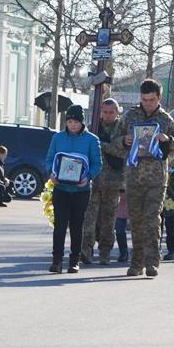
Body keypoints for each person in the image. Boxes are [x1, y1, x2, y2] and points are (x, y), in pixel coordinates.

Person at [107, 79, 174, 278]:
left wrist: (168, 140)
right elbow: (112, 144)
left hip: (157, 179)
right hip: (133, 177)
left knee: (152, 219)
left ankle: (152, 262)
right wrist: (124, 141)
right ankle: (136, 262)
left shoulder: (166, 120)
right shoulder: (130, 116)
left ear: (159, 97)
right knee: (137, 222)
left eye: (151, 99)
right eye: (144, 99)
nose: (147, 103)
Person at [44, 104, 102, 274]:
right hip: (61, 188)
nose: (73, 125)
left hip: (81, 190)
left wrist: (88, 177)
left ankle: (74, 260)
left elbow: (97, 163)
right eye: (69, 121)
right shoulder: (58, 138)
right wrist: (51, 173)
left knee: (77, 226)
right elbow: (49, 159)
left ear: (82, 122)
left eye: (76, 121)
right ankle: (57, 260)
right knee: (60, 225)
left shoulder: (92, 140)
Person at [80, 98, 124, 265]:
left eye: (111, 112)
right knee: (88, 219)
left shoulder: (122, 128)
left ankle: (105, 252)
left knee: (108, 220)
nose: (107, 115)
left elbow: (121, 151)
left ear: (117, 111)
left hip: (113, 181)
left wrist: (102, 145)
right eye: (104, 112)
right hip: (93, 180)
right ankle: (86, 250)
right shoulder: (93, 128)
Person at [114, 190, 130, 263]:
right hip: (120, 199)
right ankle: (123, 252)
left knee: (138, 230)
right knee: (119, 229)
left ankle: (140, 253)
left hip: (135, 197)